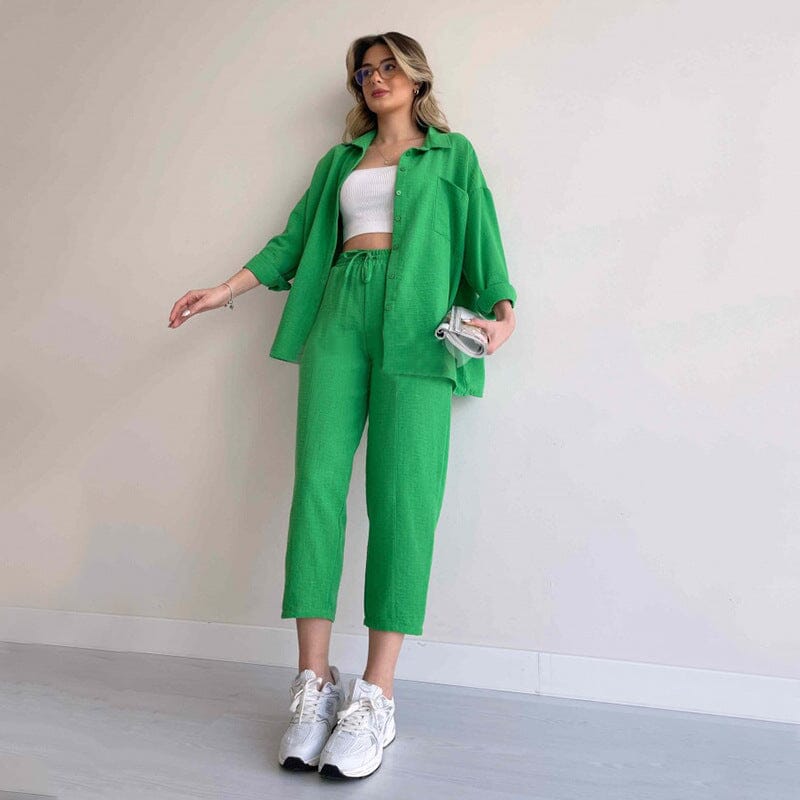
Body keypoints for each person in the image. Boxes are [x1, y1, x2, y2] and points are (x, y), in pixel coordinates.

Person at [167, 31, 517, 780]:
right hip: (338, 317)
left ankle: (377, 695)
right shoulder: (338, 162)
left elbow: (484, 246)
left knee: (404, 498)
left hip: (419, 327)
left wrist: (502, 314)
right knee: (318, 490)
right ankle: (313, 683)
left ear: (417, 78)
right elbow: (295, 241)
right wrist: (224, 290)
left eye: (389, 66)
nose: (375, 78)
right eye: (365, 71)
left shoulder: (453, 156)